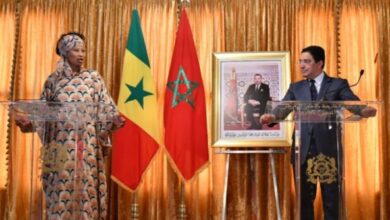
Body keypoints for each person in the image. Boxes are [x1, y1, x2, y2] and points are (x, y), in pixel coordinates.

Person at [15, 32, 124, 219]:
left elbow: (106, 108)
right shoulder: (53, 81)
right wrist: (29, 121)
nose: (81, 54)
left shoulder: (93, 78)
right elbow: (43, 113)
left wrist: (114, 120)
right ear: (65, 52)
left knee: (86, 198)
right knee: (60, 197)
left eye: (83, 50)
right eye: (76, 50)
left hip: (86, 150)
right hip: (60, 150)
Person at [260, 46, 376, 220]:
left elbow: (352, 102)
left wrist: (363, 110)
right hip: (303, 150)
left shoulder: (337, 84)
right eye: (300, 61)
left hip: (329, 151)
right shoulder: (295, 87)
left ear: (319, 63)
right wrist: (272, 116)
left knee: (331, 200)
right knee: (304, 201)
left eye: (306, 61)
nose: (301, 65)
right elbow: (282, 109)